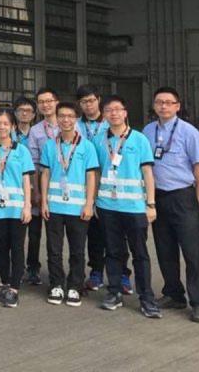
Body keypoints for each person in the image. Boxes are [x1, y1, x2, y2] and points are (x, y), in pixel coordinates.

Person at [142, 87, 199, 322]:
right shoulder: (148, 131)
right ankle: (173, 293)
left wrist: (197, 198)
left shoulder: (189, 132)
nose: (163, 106)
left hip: (183, 196)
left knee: (193, 251)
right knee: (165, 248)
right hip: (157, 197)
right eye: (159, 102)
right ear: (154, 106)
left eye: (168, 102)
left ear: (177, 106)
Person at [94, 95, 161, 318]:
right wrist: (94, 201)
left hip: (134, 207)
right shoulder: (99, 140)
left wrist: (150, 204)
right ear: (104, 115)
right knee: (113, 252)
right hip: (107, 206)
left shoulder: (139, 140)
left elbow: (147, 173)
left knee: (140, 253)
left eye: (117, 109)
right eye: (109, 110)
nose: (113, 113)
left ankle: (146, 298)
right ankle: (114, 292)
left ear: (125, 113)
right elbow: (95, 173)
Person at [39, 102, 98, 307]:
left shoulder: (86, 146)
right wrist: (44, 201)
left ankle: (75, 286)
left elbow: (91, 176)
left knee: (77, 249)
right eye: (62, 116)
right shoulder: (50, 145)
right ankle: (56, 284)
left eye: (70, 116)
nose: (65, 120)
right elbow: (45, 173)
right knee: (54, 249)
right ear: (57, 119)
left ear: (76, 119)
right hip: (54, 207)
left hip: (77, 207)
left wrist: (89, 204)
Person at [0, 110, 34, 309]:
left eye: (6, 124)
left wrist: (28, 206)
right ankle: (5, 284)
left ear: (13, 127)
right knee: (1, 247)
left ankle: (15, 287)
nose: (2, 127)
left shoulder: (21, 150)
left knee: (17, 247)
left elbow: (26, 180)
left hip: (17, 208)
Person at [75, 84, 117, 294]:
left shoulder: (111, 121)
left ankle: (121, 274)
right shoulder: (75, 125)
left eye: (91, 100)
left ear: (98, 100)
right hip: (84, 184)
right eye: (83, 102)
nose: (88, 105)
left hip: (110, 185)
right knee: (91, 232)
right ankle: (96, 271)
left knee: (113, 232)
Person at [25, 87, 59, 284]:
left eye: (49, 101)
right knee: (35, 232)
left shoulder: (73, 125)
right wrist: (36, 191)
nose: (46, 105)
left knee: (58, 235)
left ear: (56, 102)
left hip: (64, 191)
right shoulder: (36, 130)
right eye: (42, 102)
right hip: (41, 186)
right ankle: (32, 268)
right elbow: (34, 164)